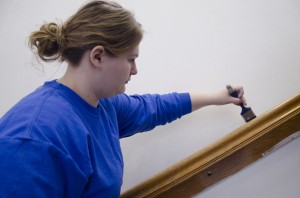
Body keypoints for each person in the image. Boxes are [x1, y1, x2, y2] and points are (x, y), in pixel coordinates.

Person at [0, 0, 246, 197]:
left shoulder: (102, 105)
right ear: (98, 56)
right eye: (130, 59)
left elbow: (152, 108)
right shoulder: (34, 138)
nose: (135, 70)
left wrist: (217, 97)